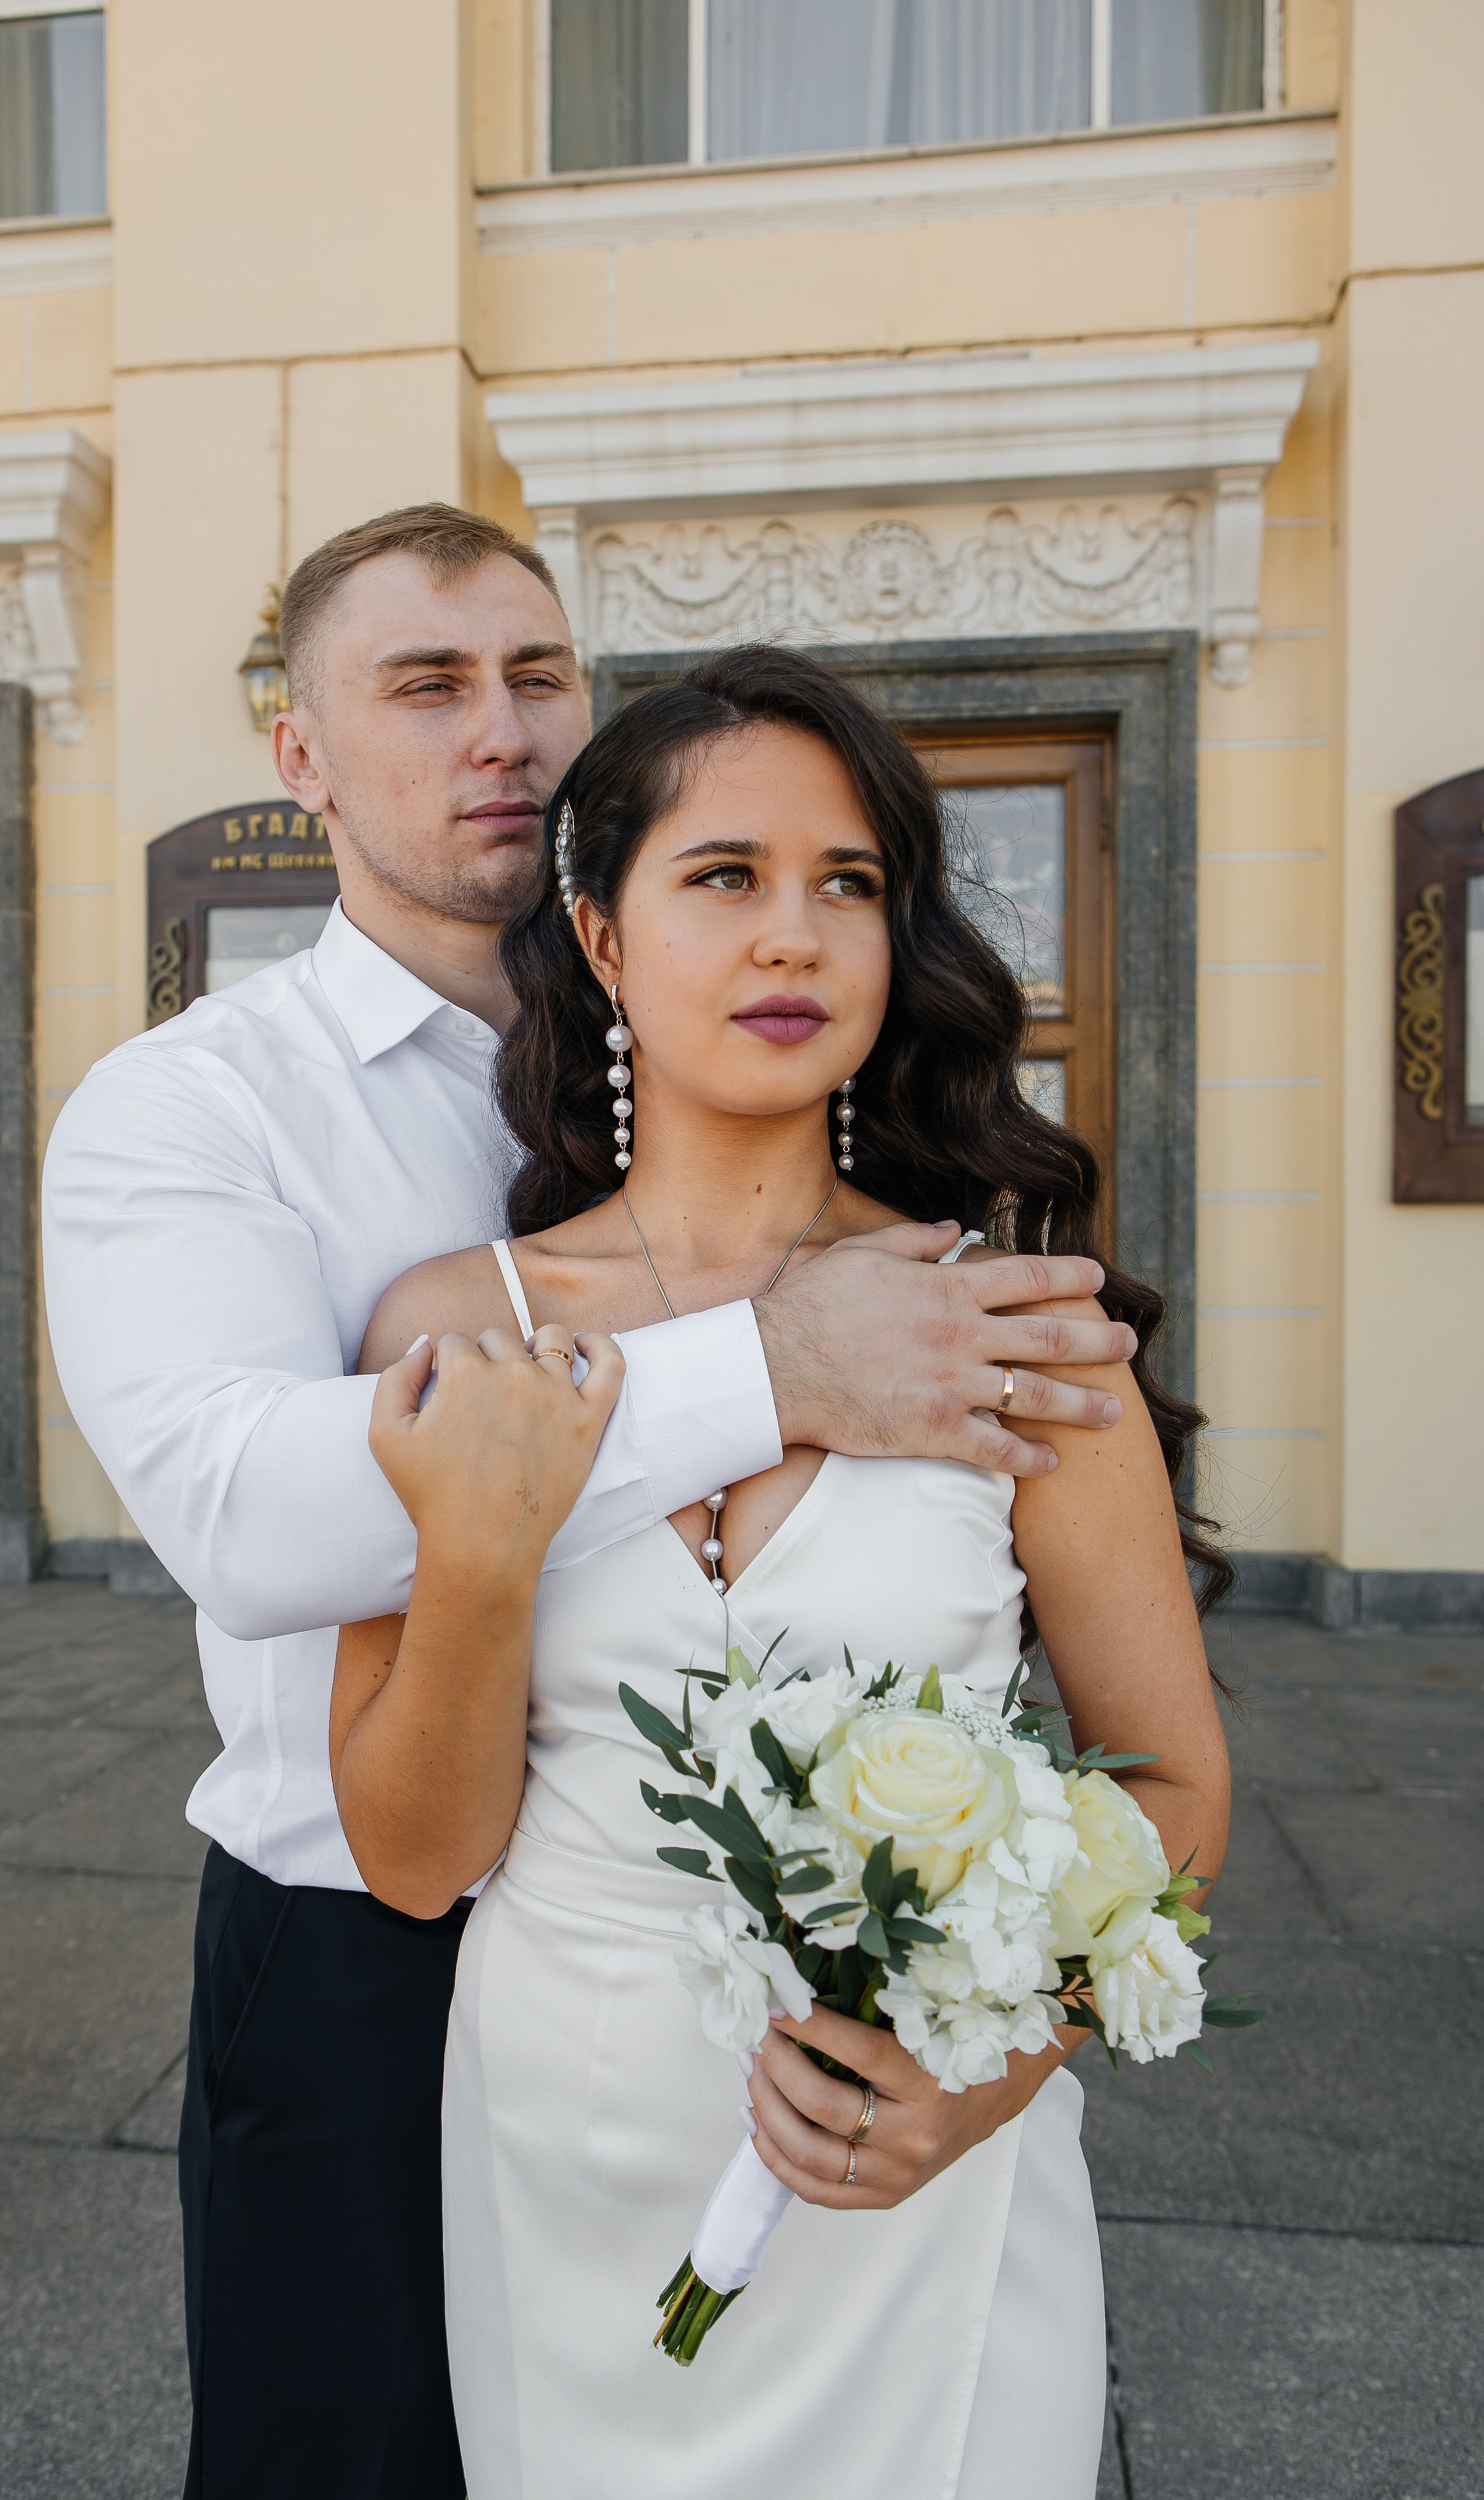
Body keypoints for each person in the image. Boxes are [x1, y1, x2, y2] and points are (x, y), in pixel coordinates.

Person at [42, 506, 1139, 2500]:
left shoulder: (737, 1032)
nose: (503, 732)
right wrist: (772, 1372)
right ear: (300, 758)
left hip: (796, 1980)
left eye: (540, 677)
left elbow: (1161, 1763)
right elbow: (246, 1521)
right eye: (427, 685)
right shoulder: (194, 1105)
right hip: (371, 1939)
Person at [332, 646, 1233, 2497]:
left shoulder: (1014, 1334)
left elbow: (1175, 1784)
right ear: (598, 936)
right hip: (568, 2142)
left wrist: (979, 2088)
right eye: (725, 878)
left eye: (850, 886)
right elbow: (415, 1860)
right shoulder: (455, 1334)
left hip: (910, 2180)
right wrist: (486, 1554)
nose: (796, 937)